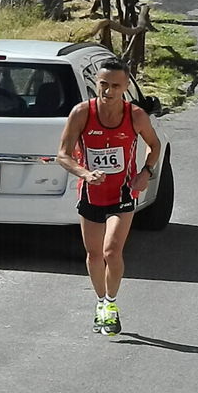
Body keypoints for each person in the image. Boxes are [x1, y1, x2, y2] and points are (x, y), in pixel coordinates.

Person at [57, 58, 161, 336]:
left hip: (123, 193)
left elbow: (154, 145)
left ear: (126, 87)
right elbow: (62, 155)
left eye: (116, 86)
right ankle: (101, 302)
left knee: (111, 251)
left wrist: (146, 172)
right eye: (104, 84)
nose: (108, 91)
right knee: (93, 255)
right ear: (96, 84)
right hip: (90, 194)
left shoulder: (136, 116)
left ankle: (111, 304)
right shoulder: (81, 113)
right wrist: (84, 173)